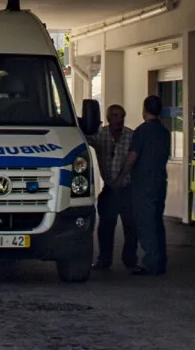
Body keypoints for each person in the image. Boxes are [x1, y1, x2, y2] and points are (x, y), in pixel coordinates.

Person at [86, 103, 137, 270]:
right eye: (115, 116)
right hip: (109, 189)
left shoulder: (131, 136)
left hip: (127, 188)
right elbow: (85, 138)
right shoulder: (101, 135)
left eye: (121, 116)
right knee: (106, 227)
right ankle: (104, 260)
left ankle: (130, 259)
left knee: (131, 226)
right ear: (108, 118)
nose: (119, 119)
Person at [124, 94, 171, 275]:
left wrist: (122, 175)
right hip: (160, 182)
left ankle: (151, 263)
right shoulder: (165, 132)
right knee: (157, 222)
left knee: (145, 224)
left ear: (144, 110)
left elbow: (132, 157)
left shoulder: (142, 131)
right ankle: (160, 262)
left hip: (143, 184)